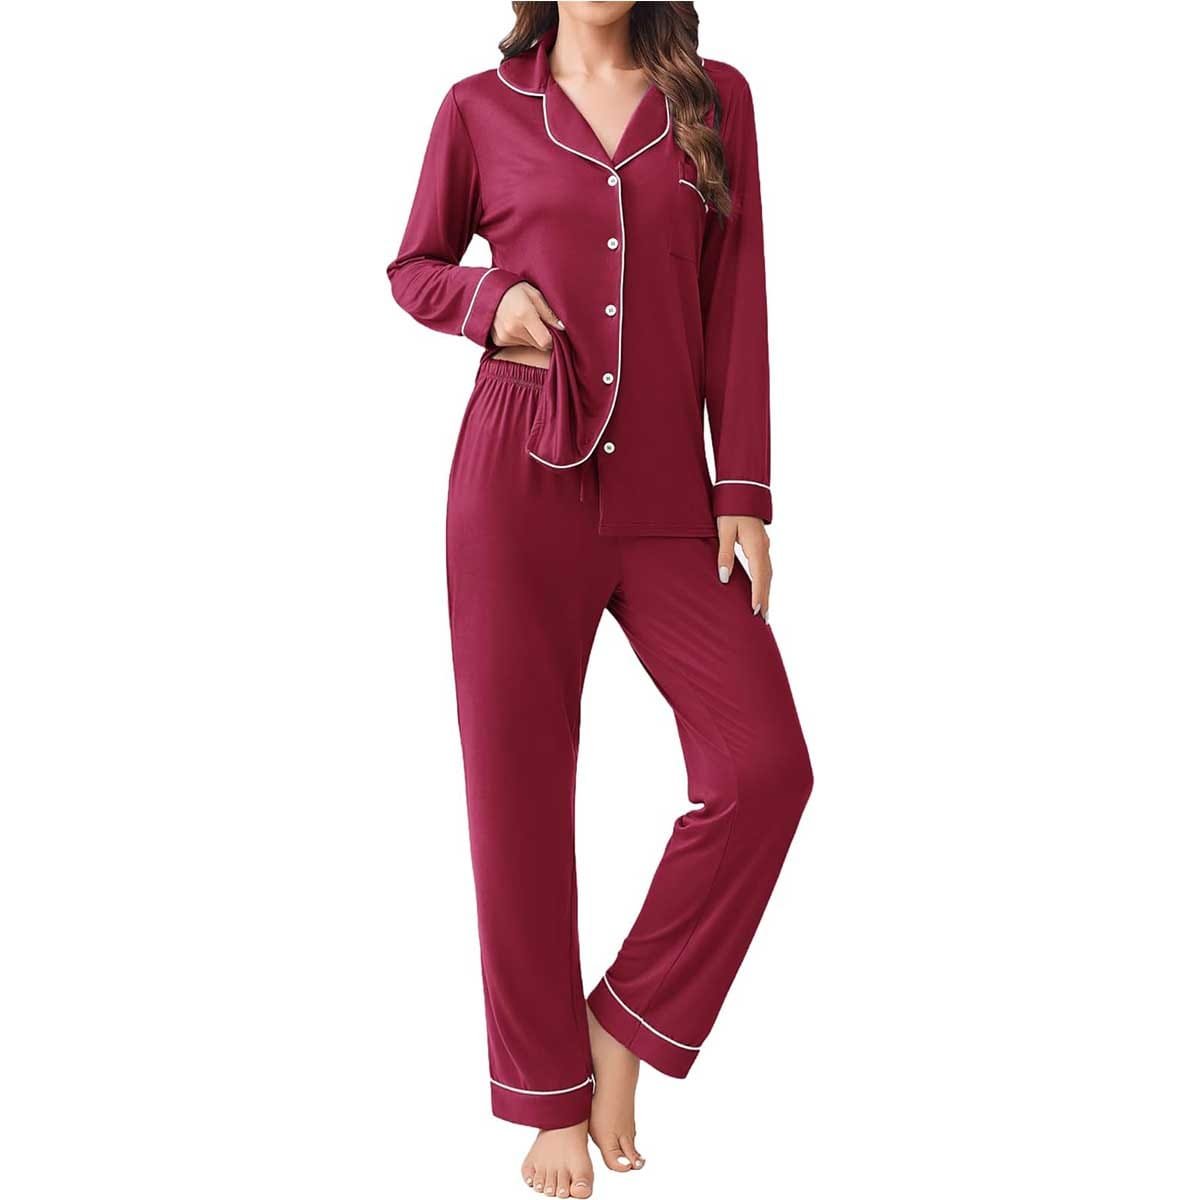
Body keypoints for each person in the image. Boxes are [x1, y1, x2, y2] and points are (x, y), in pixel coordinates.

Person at [386, 3, 813, 1194]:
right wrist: (489, 304)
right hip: (517, 472)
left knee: (764, 769)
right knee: (517, 794)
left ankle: (622, 1024)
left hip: (672, 490)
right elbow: (413, 267)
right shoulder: (479, 108)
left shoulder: (714, 98)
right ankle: (546, 1101)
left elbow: (738, 291)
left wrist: (744, 489)